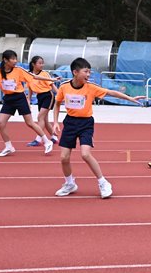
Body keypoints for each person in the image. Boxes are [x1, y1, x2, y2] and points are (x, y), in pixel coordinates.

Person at [52, 57, 145, 198]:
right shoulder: (64, 87)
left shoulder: (91, 87)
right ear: (75, 72)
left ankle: (103, 182)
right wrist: (55, 122)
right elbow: (57, 104)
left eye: (89, 72)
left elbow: (111, 92)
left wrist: (130, 98)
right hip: (70, 122)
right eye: (86, 72)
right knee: (64, 157)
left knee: (85, 154)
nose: (88, 75)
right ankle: (70, 184)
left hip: (86, 123)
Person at [0, 50, 55, 157]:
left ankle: (47, 141)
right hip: (8, 99)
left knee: (30, 123)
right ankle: (8, 146)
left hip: (19, 98)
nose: (15, 61)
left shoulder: (18, 70)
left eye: (16, 58)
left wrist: (51, 79)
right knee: (0, 124)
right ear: (5, 60)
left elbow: (34, 76)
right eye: (13, 59)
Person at [25, 55, 58, 148]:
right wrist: (28, 100)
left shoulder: (44, 74)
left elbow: (52, 85)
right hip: (39, 97)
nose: (42, 65)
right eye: (39, 63)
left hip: (48, 96)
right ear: (33, 64)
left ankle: (38, 139)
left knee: (40, 117)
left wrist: (60, 95)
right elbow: (30, 89)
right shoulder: (29, 75)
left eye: (42, 63)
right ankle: (54, 137)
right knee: (45, 120)